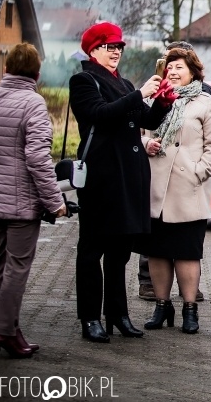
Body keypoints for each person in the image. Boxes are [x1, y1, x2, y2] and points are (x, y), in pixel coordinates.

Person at [70, 22, 173, 343]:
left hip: (129, 179)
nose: (116, 52)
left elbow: (148, 120)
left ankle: (118, 314)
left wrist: (162, 101)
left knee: (120, 253)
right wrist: (138, 94)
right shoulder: (83, 80)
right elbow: (100, 114)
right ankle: (90, 318)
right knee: (92, 251)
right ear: (93, 50)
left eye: (119, 47)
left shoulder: (124, 82)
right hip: (101, 179)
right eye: (109, 47)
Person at [136, 48, 211, 334]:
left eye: (179, 68)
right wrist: (146, 144)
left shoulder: (205, 102)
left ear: (193, 72)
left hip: (189, 188)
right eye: (169, 68)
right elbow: (141, 134)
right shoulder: (154, 100)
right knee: (158, 253)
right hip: (156, 189)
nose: (172, 72)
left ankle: (189, 309)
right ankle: (162, 306)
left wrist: (198, 172)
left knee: (187, 253)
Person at [0, 43, 66, 358]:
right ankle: (5, 332)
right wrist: (55, 201)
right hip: (21, 205)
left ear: (7, 68)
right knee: (17, 268)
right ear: (37, 73)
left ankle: (7, 328)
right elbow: (38, 157)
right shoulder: (33, 103)